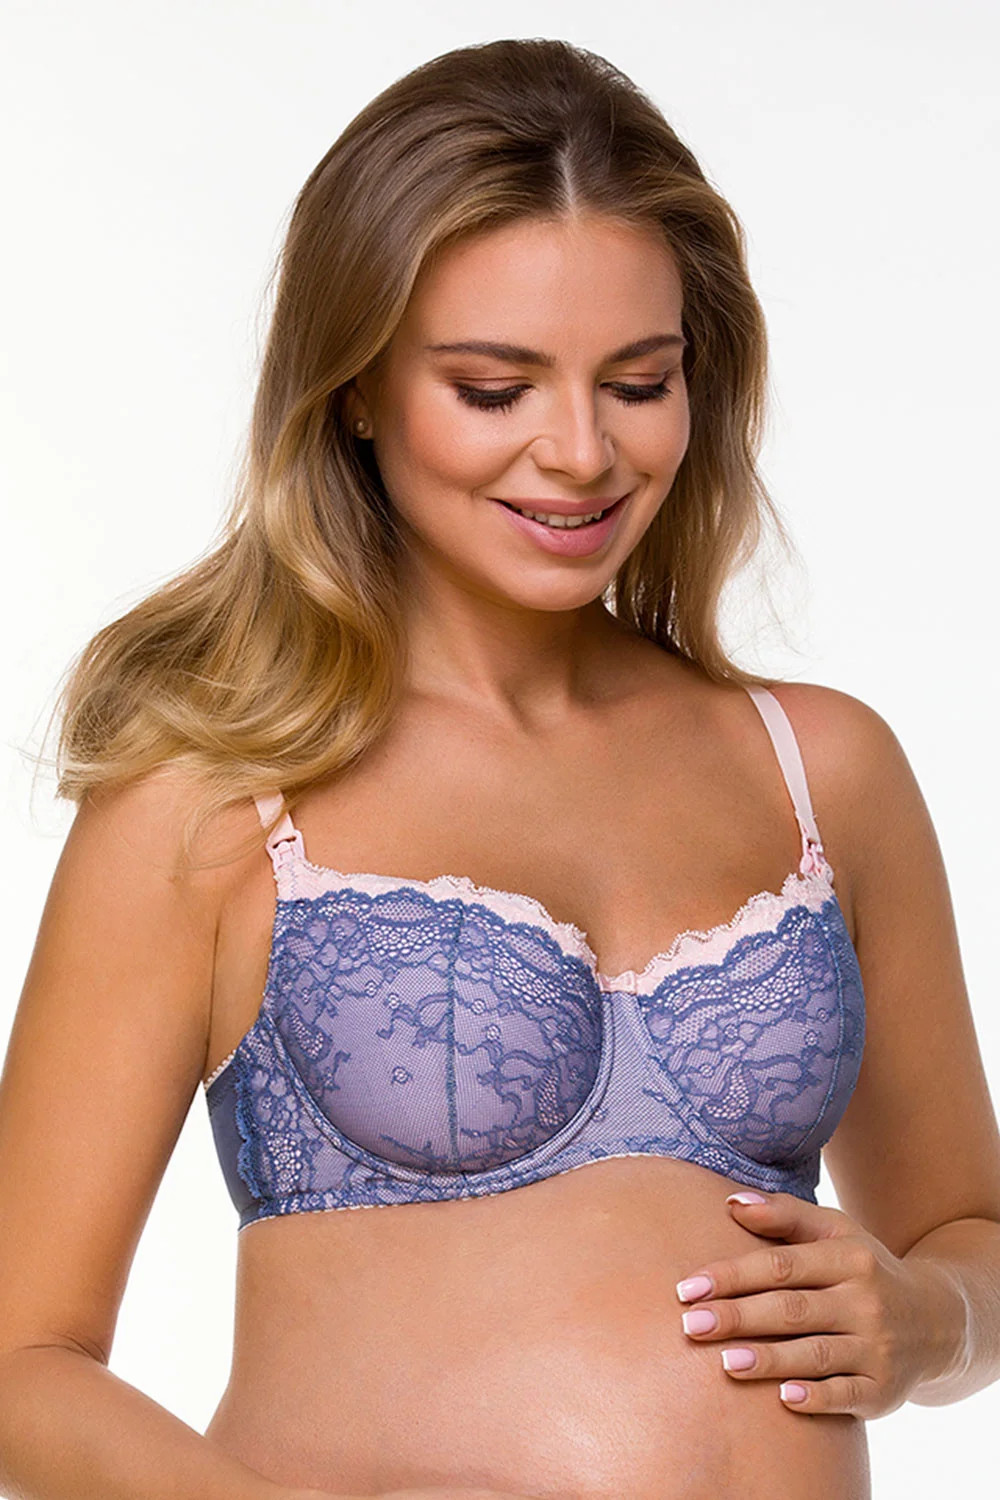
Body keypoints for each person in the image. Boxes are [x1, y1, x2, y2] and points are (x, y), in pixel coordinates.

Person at [1, 33, 999, 1500]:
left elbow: (970, 1234)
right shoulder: (215, 802)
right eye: (492, 388)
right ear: (356, 388)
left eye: (639, 381)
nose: (581, 452)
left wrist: (933, 1321)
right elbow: (19, 1362)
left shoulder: (820, 770)